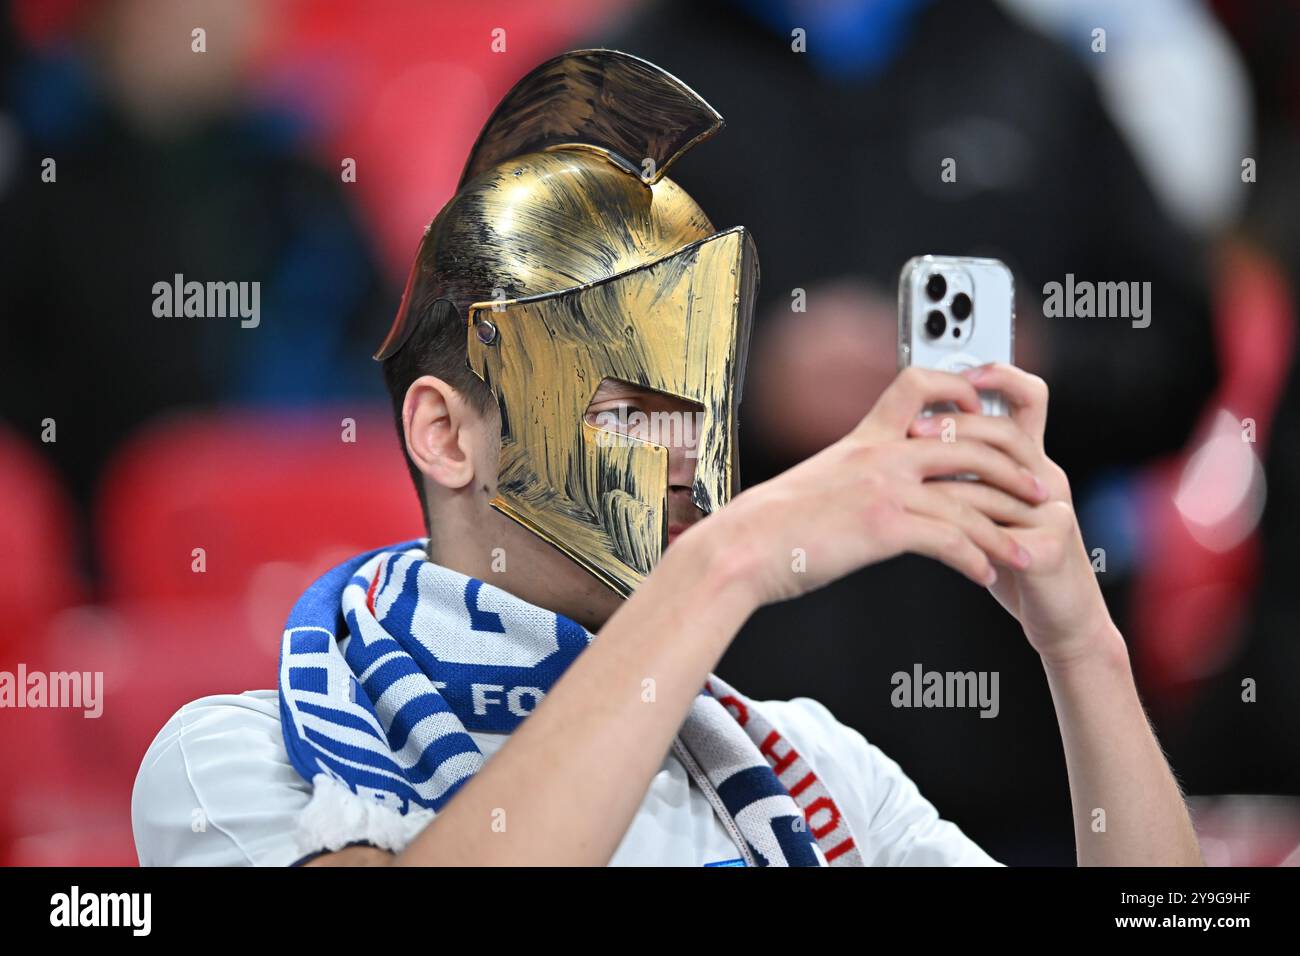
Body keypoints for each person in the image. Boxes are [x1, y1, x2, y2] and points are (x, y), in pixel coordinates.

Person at [131, 50, 1202, 867]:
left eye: (699, 389)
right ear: (445, 432)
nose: (679, 438)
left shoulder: (808, 763)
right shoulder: (236, 756)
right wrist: (725, 564)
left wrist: (1081, 645)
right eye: (618, 385)